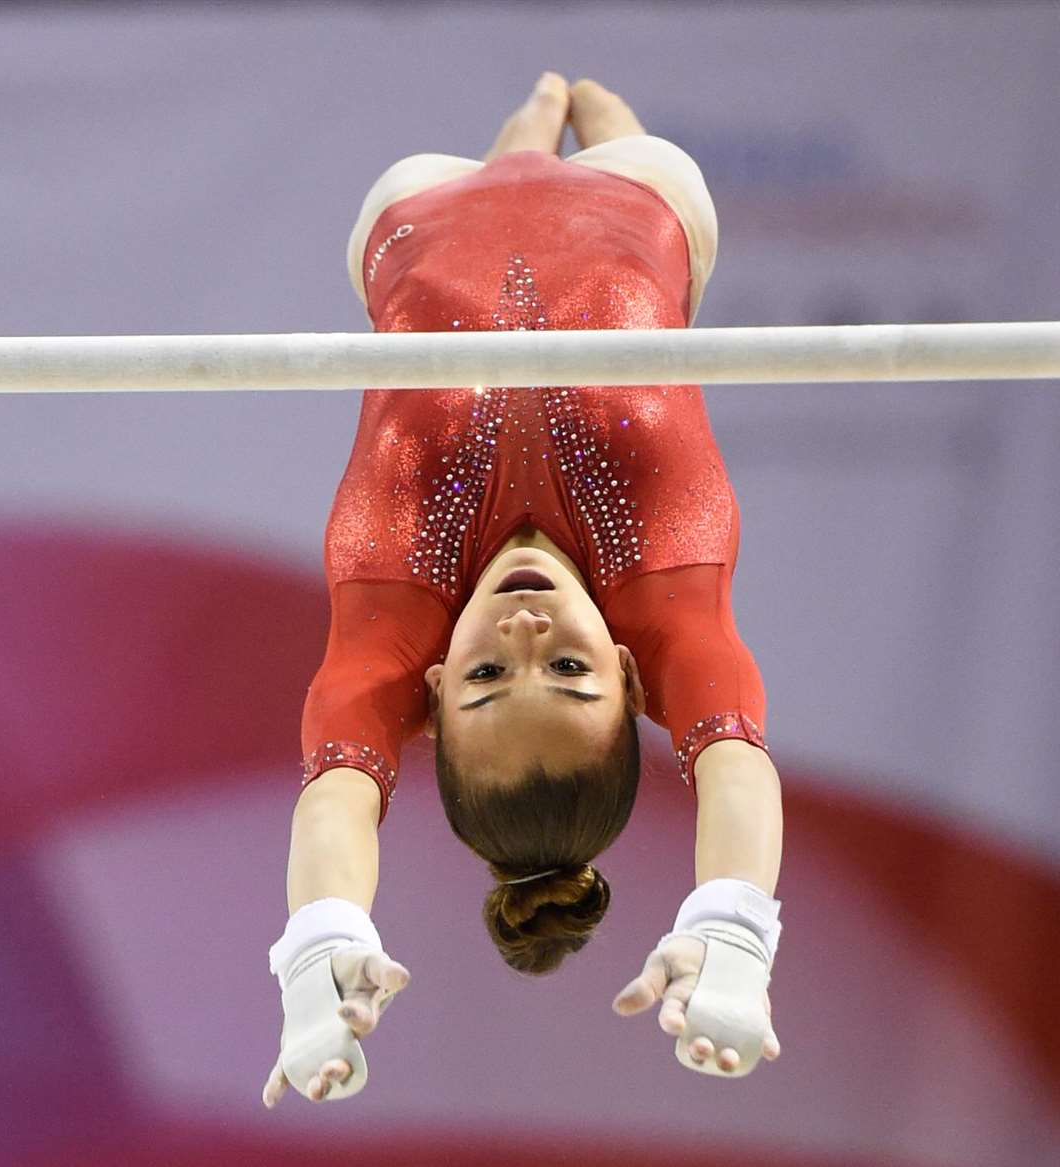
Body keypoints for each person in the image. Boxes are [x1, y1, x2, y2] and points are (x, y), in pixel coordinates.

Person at [262, 75, 784, 1109]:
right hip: (639, 207)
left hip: (417, 218)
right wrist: (732, 926)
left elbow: (337, 797)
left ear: (432, 684)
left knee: (510, 149)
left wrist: (320, 946)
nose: (528, 627)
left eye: (492, 672)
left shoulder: (392, 604)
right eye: (573, 670)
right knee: (646, 157)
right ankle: (585, 106)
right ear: (633, 673)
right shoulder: (670, 598)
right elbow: (733, 765)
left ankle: (536, 117)